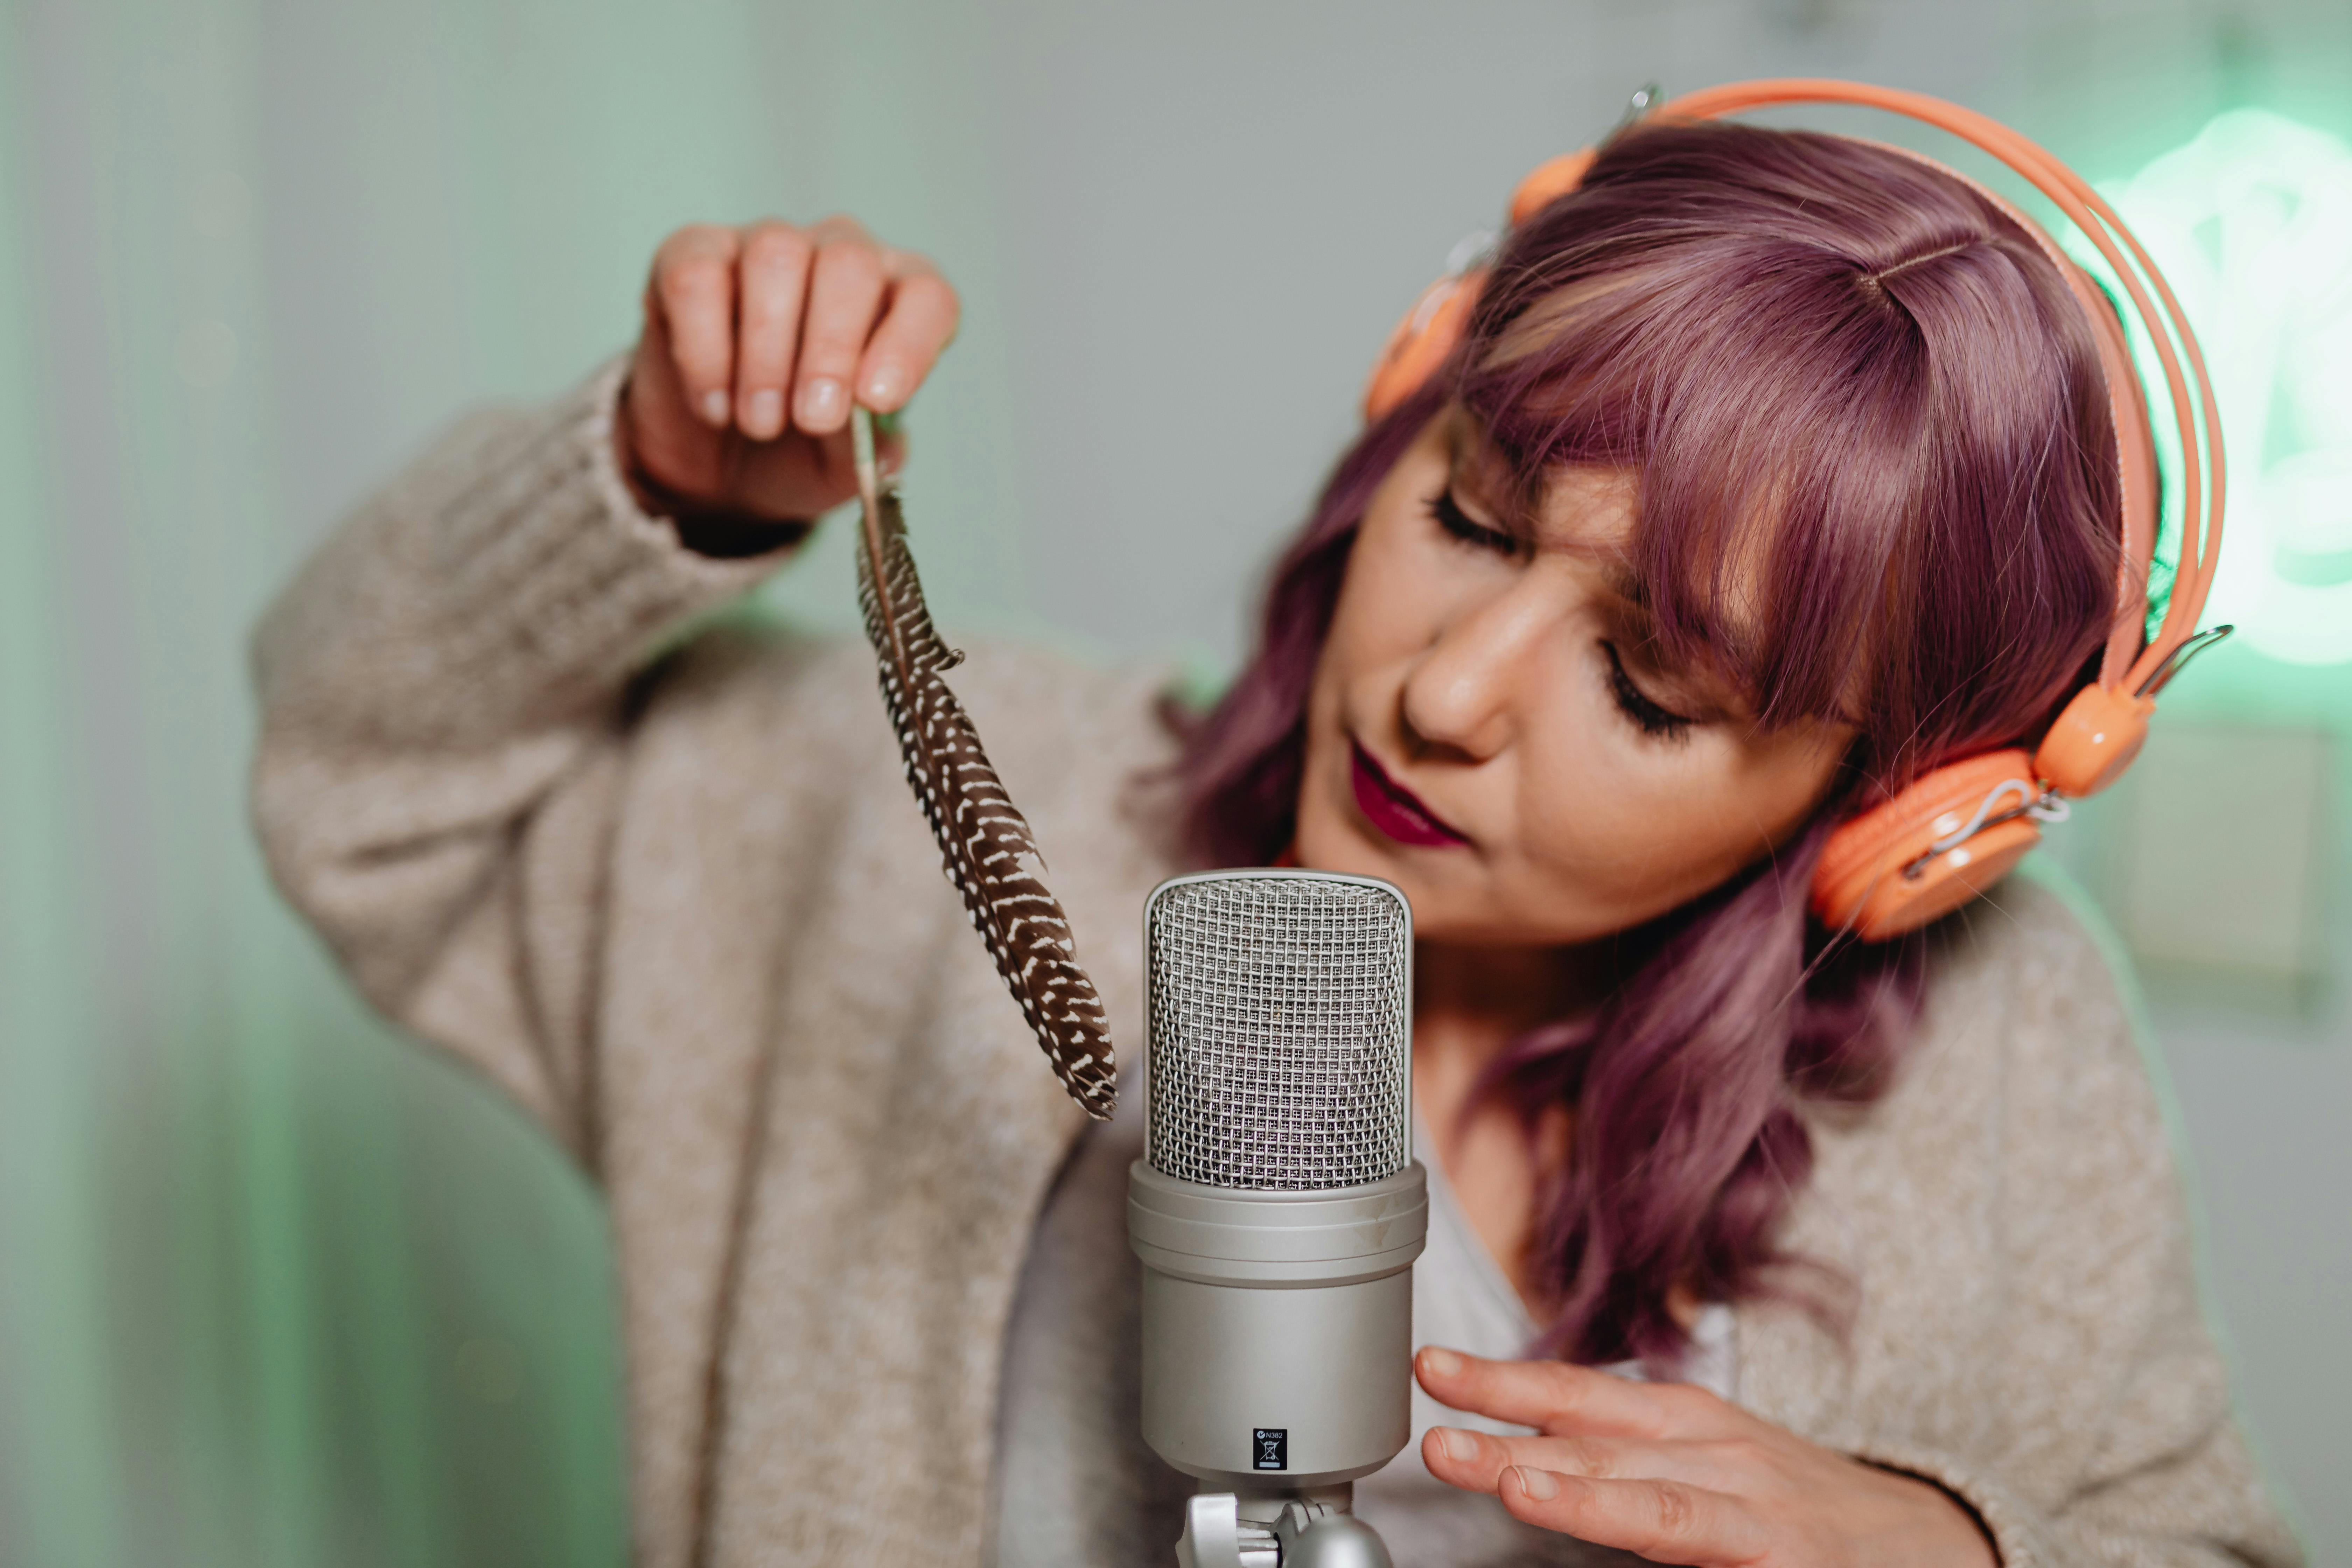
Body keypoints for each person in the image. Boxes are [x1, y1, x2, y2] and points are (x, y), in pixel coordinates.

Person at [250, 110, 2301, 1568]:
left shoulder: (2000, 1048)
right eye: (1472, 515)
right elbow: (367, 770)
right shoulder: (914, 819)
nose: (1442, 693)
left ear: (1899, 815)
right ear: (1406, 411)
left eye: (1652, 690)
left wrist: (1941, 1552)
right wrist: (664, 473)